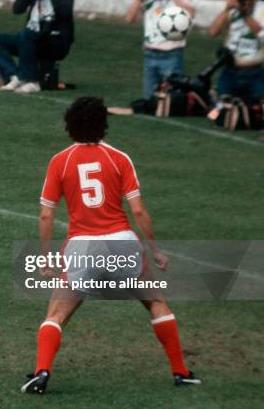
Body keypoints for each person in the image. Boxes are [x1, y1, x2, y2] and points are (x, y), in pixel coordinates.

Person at [20, 96, 201, 394]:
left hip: (81, 247)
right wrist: (154, 250)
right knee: (156, 303)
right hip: (122, 244)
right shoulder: (119, 158)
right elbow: (139, 211)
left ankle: (42, 371)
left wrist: (45, 258)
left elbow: (45, 214)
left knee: (56, 315)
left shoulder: (60, 161)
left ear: (70, 126)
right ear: (104, 124)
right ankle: (181, 371)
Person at [0, 0, 74, 94]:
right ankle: (14, 77)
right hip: (29, 39)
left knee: (27, 34)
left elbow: (65, 13)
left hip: (54, 41)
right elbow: (17, 9)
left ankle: (31, 81)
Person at [126, 0, 196, 99]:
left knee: (173, 99)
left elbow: (191, 13)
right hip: (149, 53)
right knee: (149, 99)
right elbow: (130, 19)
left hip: (172, 54)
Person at [209, 0, 264, 104]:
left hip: (254, 73)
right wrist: (227, 9)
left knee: (256, 111)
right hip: (230, 71)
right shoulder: (233, 9)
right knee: (222, 112)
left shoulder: (262, 9)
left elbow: (261, 35)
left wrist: (246, 15)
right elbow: (213, 32)